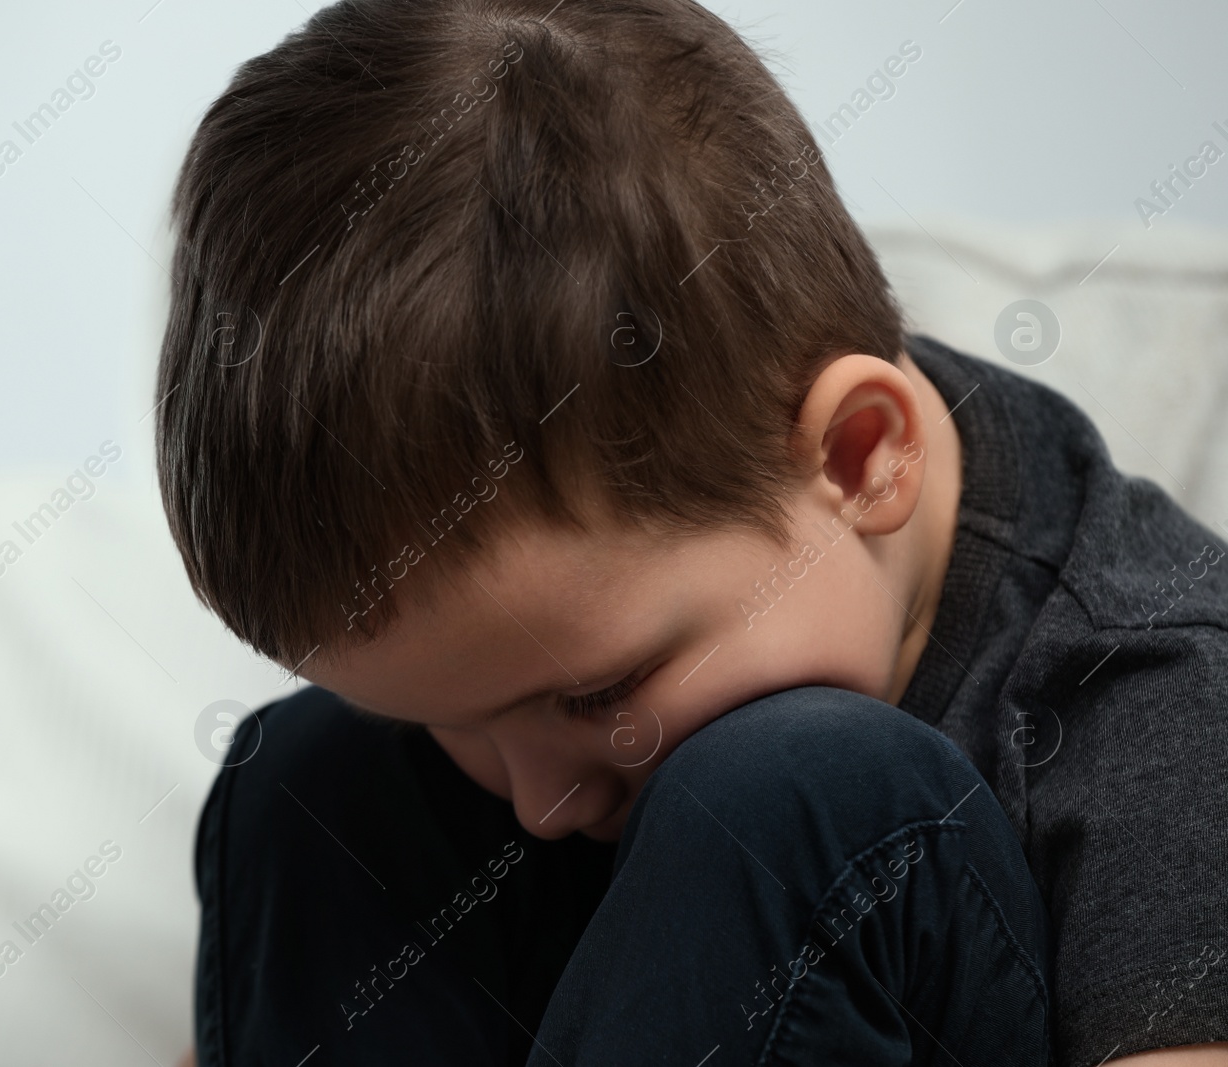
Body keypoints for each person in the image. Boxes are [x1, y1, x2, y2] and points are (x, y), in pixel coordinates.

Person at [153, 1, 1228, 1063]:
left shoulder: (1156, 691)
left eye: (595, 694)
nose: (542, 804)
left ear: (861, 458)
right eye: (457, 721)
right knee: (325, 776)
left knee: (798, 796)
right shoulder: (691, 542)